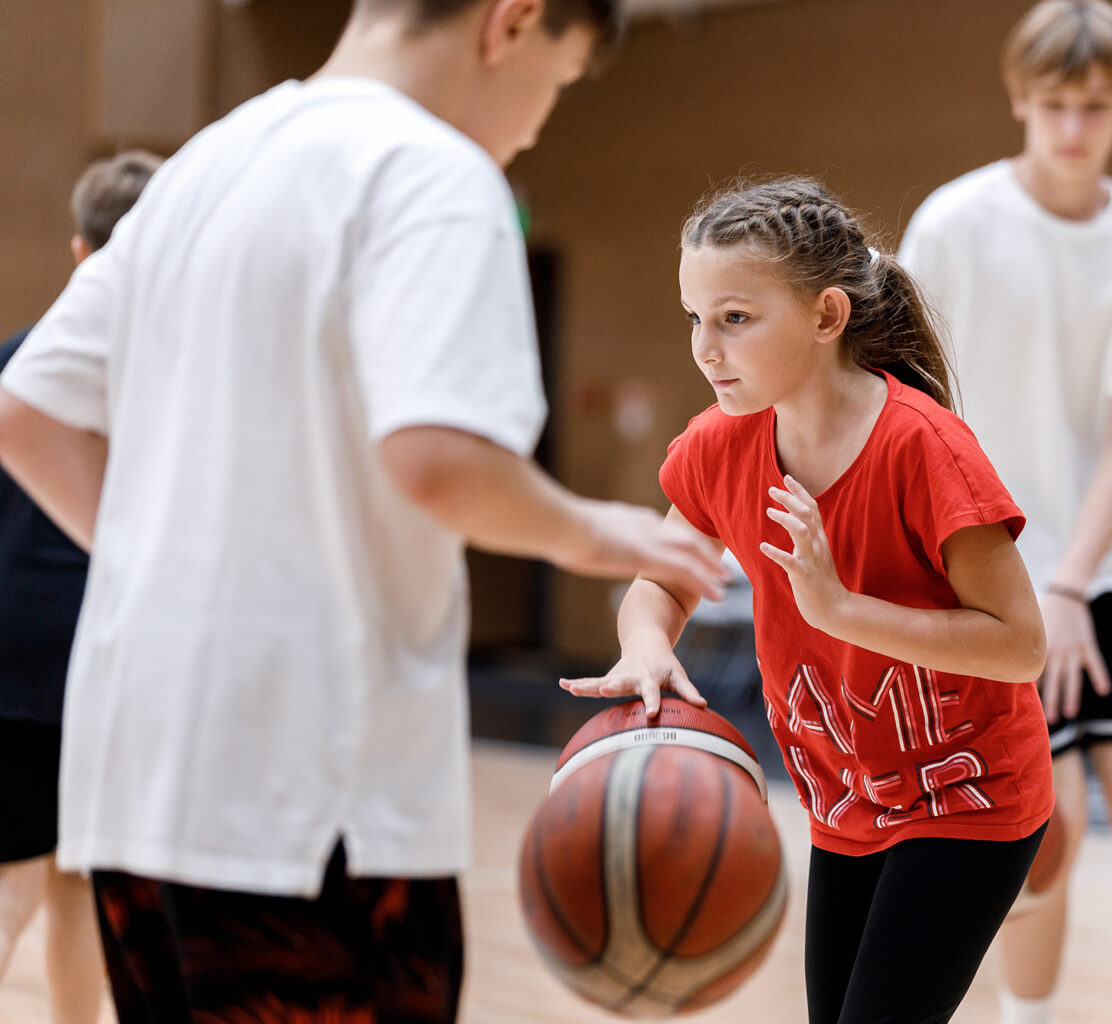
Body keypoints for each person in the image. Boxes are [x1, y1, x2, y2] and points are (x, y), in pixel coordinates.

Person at [0, 2, 727, 1022]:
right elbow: (439, 458)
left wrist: (153, 559)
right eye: (556, 85)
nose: (532, 125)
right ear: (510, 22)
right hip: (305, 796)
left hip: (132, 781)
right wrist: (601, 532)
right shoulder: (432, 171)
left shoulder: (202, 167)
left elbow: (26, 410)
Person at [562, 177, 1053, 1024]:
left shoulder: (923, 445)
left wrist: (841, 611)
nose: (706, 349)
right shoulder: (722, 443)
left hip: (969, 798)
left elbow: (1020, 643)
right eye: (695, 318)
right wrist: (645, 641)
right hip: (846, 801)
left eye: (735, 318)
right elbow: (664, 577)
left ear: (828, 317)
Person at [897, 3, 1112, 1023]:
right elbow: (908, 397)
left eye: (1098, 109)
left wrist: (1071, 580)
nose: (1075, 128)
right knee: (1048, 821)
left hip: (1100, 568)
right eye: (1058, 104)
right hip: (988, 565)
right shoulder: (953, 223)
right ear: (1021, 98)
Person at [0, 148, 161, 1024]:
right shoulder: (165, 383)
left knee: (58, 882)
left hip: (18, 657)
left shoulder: (13, 361)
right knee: (51, 884)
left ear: (77, 250)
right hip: (99, 655)